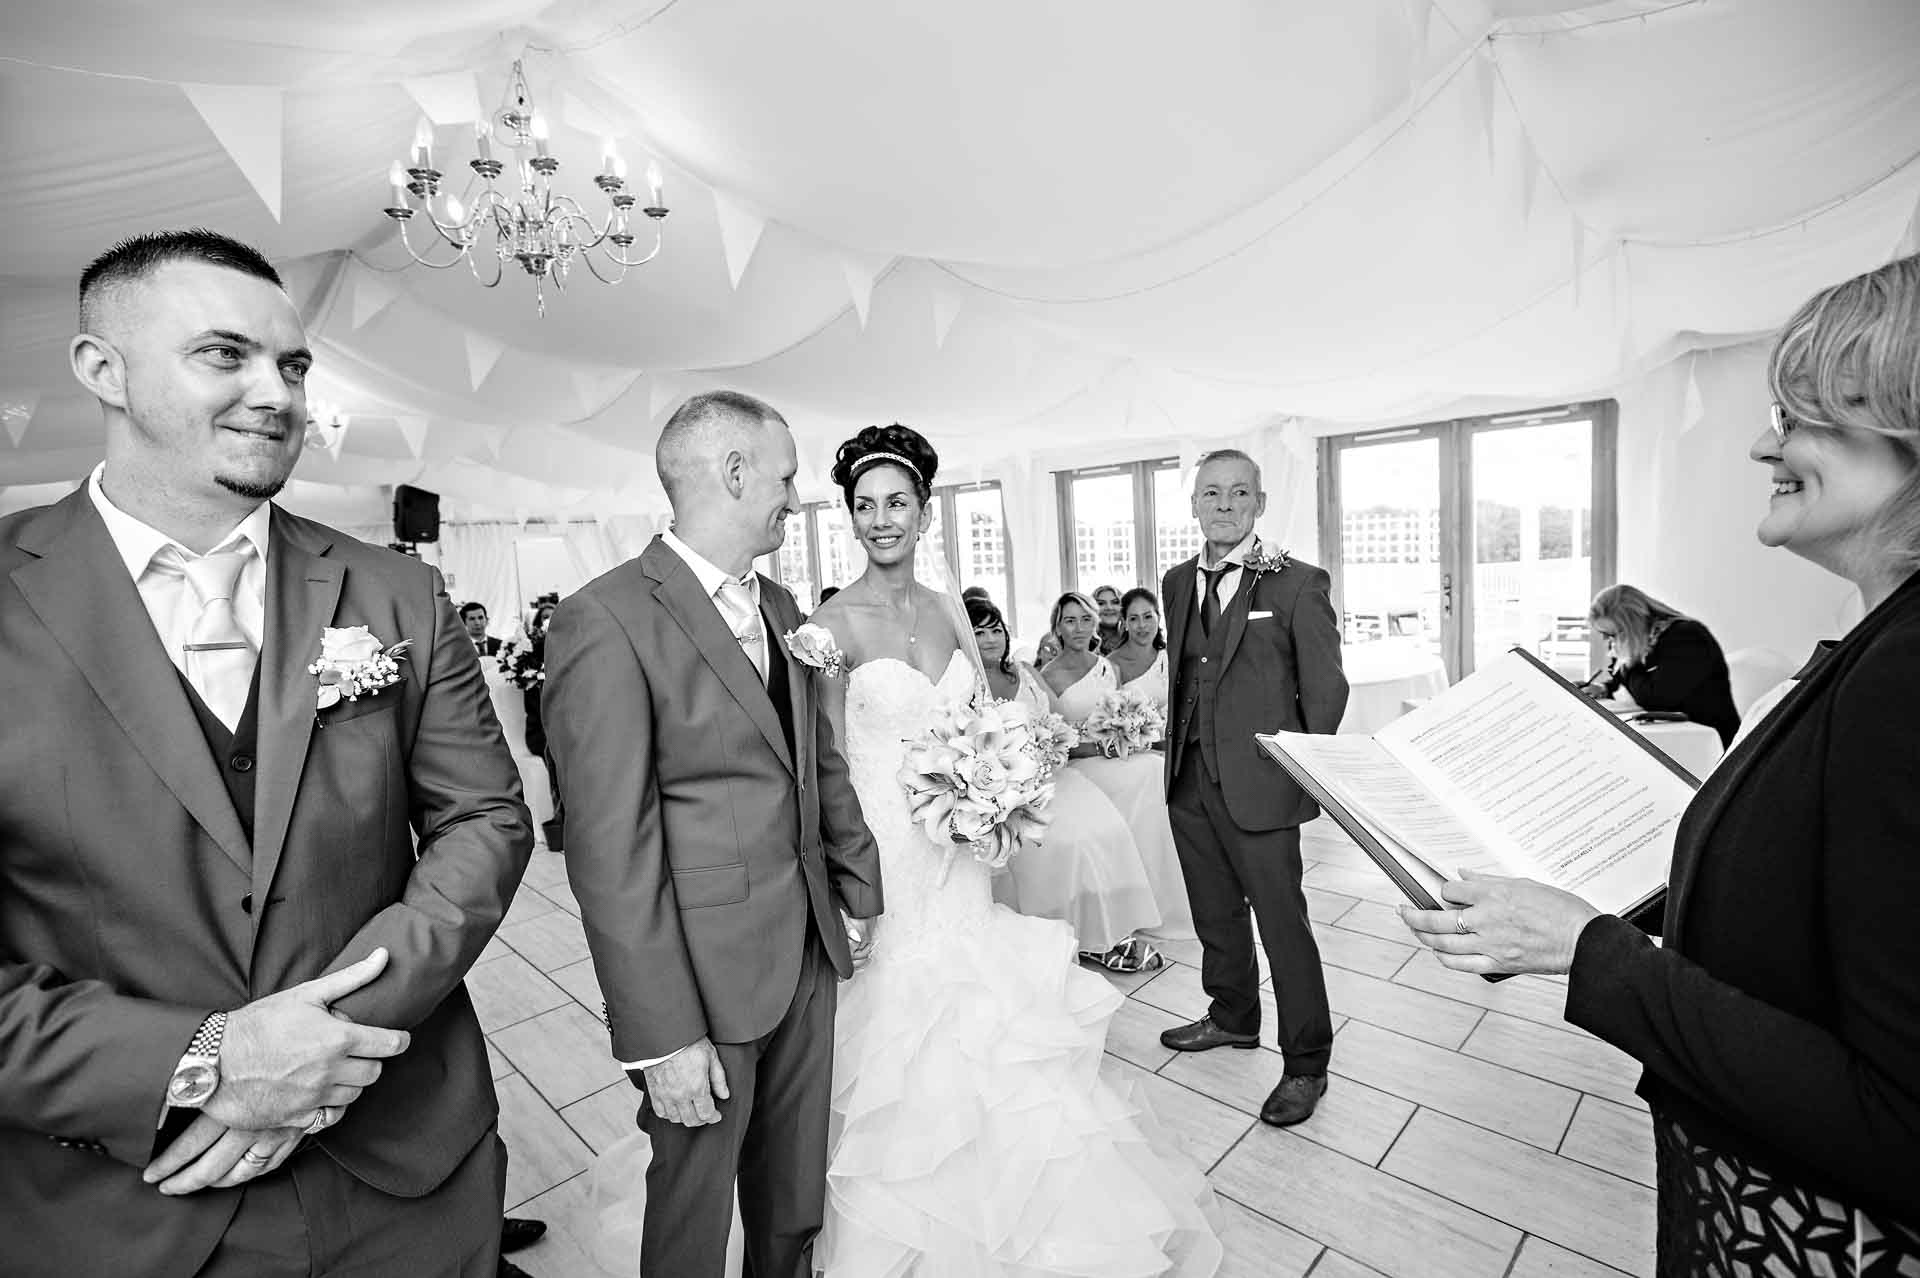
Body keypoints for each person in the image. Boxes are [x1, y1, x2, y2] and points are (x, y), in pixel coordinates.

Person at [0, 229, 533, 1277]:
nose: (278, 394)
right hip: (119, 1204)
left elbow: (486, 820)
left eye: (292, 365)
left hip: (408, 1170)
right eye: (223, 354)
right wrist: (205, 1062)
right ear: (100, 369)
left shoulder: (394, 593)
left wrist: (331, 1043)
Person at [1401, 256, 1920, 1272]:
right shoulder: (1878, 643)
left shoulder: (1907, 675)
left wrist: (1588, 946)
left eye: (1806, 413)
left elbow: (1900, 1115)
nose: (1769, 443)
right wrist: (1562, 913)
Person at [808, 423, 1219, 1275]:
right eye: (864, 506)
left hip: (960, 853)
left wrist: (1000, 787)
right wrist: (850, 880)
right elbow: (827, 765)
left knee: (986, 1019)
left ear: (925, 513)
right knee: (899, 1023)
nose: (881, 519)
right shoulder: (830, 623)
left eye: (897, 503)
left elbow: (992, 719)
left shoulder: (948, 611)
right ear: (851, 518)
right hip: (886, 850)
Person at [543, 390, 884, 1278]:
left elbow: (817, 762)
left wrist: (855, 890)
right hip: (700, 977)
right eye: (787, 475)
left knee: (792, 1194)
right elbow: (609, 852)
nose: (797, 495)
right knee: (694, 1210)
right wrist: (663, 1036)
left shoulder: (778, 602)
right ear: (733, 473)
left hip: (806, 951)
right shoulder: (606, 617)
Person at [1158, 448, 1348, 1128]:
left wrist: (1296, 773)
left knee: (1283, 926)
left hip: (1261, 788)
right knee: (1215, 913)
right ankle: (1232, 1016)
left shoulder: (1298, 584)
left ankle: (1306, 1063)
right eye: (1212, 494)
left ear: (1261, 503)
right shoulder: (1177, 581)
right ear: (1194, 505)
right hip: (1190, 780)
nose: (1226, 506)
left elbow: (1327, 691)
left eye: (1241, 494)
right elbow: (1184, 672)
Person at [971, 595, 1164, 968]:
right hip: (1013, 789)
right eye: (980, 632)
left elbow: (1060, 719)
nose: (991, 639)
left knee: (1106, 829)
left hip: (1056, 775)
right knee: (1070, 841)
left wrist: (1059, 743)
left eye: (996, 629)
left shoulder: (1025, 671)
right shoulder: (968, 686)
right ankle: (1077, 935)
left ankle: (1109, 929)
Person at [1072, 588, 1197, 942]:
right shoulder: (1111, 664)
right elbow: (1107, 716)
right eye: (1134, 618)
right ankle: (1152, 897)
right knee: (1152, 782)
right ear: (1123, 623)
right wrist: (1141, 737)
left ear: (1159, 619)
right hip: (1137, 751)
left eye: (1148, 617)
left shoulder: (1172, 658)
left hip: (1175, 745)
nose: (1142, 625)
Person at [1578, 584, 1740, 746]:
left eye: (1612, 634)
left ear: (1633, 625)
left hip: (1709, 741)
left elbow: (1655, 698)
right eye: (1604, 634)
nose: (1608, 641)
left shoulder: (1687, 637)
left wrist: (1628, 664)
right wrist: (1603, 688)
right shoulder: (1636, 639)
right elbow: (1620, 675)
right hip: (1671, 734)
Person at [1092, 584, 1125, 654]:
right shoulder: (1085, 641)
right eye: (1101, 603)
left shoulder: (1134, 638)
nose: (1109, 607)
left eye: (1115, 602)